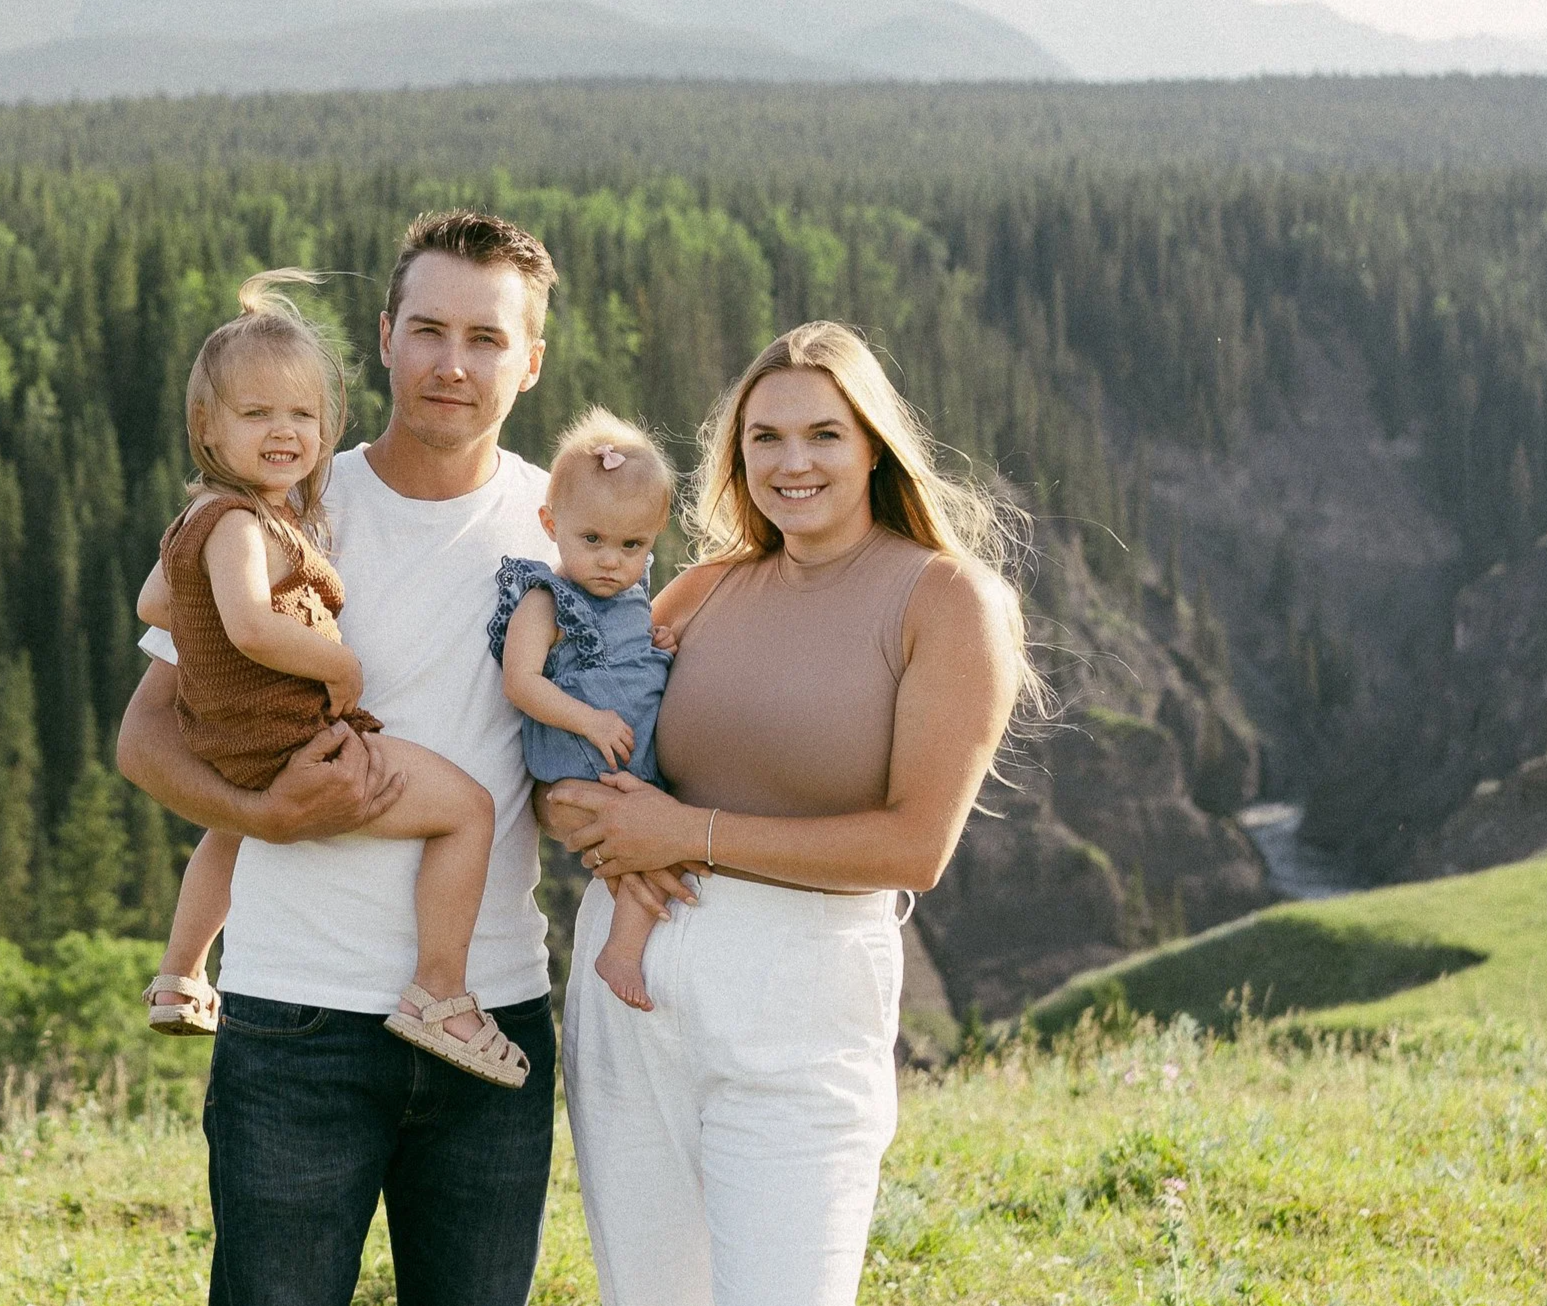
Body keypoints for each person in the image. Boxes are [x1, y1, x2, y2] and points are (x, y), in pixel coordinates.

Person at [544, 321, 1044, 1306]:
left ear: (872, 444)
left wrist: (684, 835)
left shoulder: (943, 600)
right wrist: (583, 819)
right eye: (762, 438)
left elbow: (914, 845)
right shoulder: (703, 587)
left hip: (798, 1009)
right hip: (623, 997)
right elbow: (572, 745)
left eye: (821, 433)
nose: (791, 461)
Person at [115, 211, 561, 1305]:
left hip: (490, 1017)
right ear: (385, 335)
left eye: (488, 338)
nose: (453, 364)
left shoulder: (563, 525)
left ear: (531, 359)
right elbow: (143, 736)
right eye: (428, 329)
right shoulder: (285, 503)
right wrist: (264, 816)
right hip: (294, 1021)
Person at [136, 267, 528, 1087]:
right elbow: (234, 636)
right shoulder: (257, 520)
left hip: (248, 744)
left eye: (301, 416)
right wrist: (336, 662)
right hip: (294, 995)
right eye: (258, 415)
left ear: (532, 359)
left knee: (225, 834)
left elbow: (157, 603)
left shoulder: (211, 518)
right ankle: (440, 992)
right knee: (466, 810)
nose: (283, 432)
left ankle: (180, 971)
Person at [490, 408, 678, 1011]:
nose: (609, 561)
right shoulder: (546, 599)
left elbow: (632, 651)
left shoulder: (632, 595)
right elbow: (521, 683)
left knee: (652, 849)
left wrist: (659, 642)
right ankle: (620, 953)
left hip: (631, 760)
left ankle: (628, 946)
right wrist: (587, 719)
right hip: (579, 758)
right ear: (551, 523)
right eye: (591, 539)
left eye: (632, 545)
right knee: (634, 861)